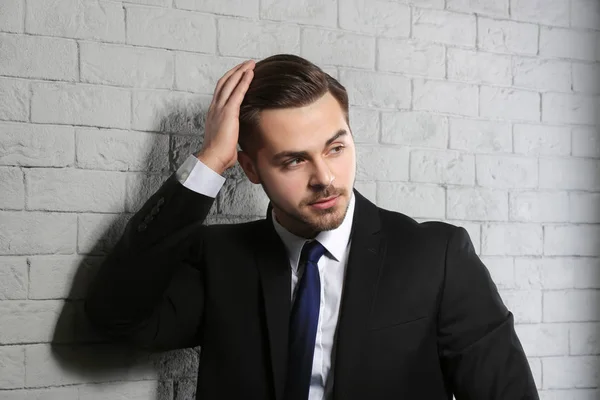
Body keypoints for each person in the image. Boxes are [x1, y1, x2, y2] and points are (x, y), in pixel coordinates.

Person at [84, 54, 539, 400]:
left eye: (336, 148)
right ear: (251, 168)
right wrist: (210, 162)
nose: (324, 177)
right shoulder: (220, 260)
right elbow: (116, 316)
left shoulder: (436, 256)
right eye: (294, 160)